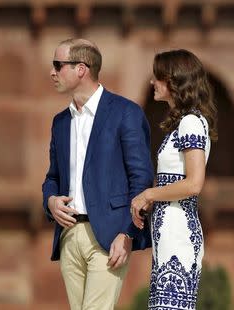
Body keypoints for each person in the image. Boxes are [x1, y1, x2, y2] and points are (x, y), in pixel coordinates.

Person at [42, 38, 154, 310]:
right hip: (69, 237)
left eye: (58, 65)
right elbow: (53, 177)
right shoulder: (60, 122)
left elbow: (141, 178)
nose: (52, 72)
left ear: (81, 69)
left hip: (109, 236)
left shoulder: (126, 113)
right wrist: (51, 201)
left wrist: (127, 234)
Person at [131, 49, 218, 309]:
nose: (152, 82)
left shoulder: (191, 122)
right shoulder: (182, 123)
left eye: (157, 77)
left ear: (174, 80)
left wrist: (148, 194)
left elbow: (194, 183)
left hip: (178, 232)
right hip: (169, 231)